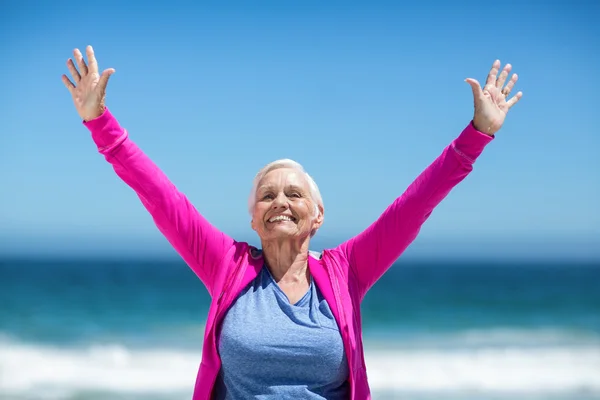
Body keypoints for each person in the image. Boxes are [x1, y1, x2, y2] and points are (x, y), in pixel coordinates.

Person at [61, 45, 523, 400]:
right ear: (253, 218)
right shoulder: (228, 264)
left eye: (294, 193)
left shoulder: (347, 270)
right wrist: (99, 122)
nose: (280, 201)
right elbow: (161, 198)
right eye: (267, 195)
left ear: (317, 216)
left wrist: (477, 134)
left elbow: (415, 205)